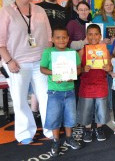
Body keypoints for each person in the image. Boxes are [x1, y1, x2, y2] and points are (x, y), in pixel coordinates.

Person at [0, 0, 53, 144]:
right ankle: (25, 132)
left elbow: (48, 37)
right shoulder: (5, 12)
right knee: (19, 100)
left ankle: (50, 129)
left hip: (40, 63)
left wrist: (47, 58)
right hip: (17, 63)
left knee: (47, 97)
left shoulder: (39, 10)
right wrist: (9, 60)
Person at [40, 27, 81, 157]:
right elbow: (42, 68)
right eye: (57, 37)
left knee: (70, 117)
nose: (61, 40)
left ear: (68, 39)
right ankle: (56, 141)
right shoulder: (48, 52)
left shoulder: (72, 53)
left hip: (69, 90)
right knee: (54, 117)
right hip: (54, 92)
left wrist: (74, 75)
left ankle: (69, 138)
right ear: (52, 39)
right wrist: (55, 73)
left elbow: (79, 68)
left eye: (64, 37)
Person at [77, 24, 112, 142]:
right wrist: (82, 69)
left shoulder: (105, 51)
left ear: (100, 36)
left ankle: (99, 128)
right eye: (90, 34)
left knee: (101, 108)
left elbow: (110, 66)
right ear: (86, 36)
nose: (93, 37)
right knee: (86, 108)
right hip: (86, 85)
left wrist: (108, 67)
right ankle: (87, 129)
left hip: (101, 83)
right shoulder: (82, 51)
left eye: (96, 34)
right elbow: (76, 70)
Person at [92, 0, 115, 111]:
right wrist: (101, 41)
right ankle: (101, 106)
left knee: (112, 79)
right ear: (103, 6)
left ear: (114, 6)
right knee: (101, 79)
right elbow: (91, 35)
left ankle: (111, 106)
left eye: (111, 4)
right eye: (106, 4)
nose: (109, 6)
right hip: (100, 53)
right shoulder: (97, 19)